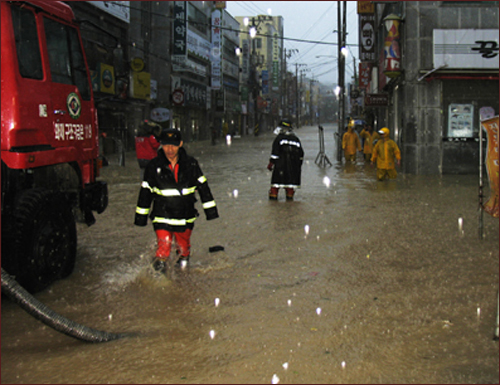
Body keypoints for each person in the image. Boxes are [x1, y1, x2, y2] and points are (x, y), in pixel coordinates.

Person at [134, 128, 219, 273]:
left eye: (173, 145)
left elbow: (203, 187)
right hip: (162, 215)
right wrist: (141, 217)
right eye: (166, 145)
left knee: (183, 248)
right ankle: (160, 280)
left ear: (180, 144)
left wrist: (210, 211)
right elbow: (145, 192)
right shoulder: (154, 166)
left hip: (185, 216)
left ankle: (182, 273)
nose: (169, 149)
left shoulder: (191, 164)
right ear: (161, 144)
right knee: (163, 247)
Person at [267, 119, 304, 201]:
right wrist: (298, 166)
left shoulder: (279, 139)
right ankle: (289, 203)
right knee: (290, 187)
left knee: (275, 186)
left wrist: (271, 164)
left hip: (280, 167)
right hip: (293, 169)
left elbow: (274, 154)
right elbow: (301, 155)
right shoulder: (296, 139)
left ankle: (274, 202)